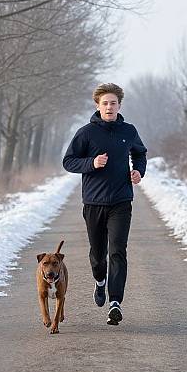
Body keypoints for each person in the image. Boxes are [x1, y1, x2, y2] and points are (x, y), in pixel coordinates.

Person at [62, 83, 147, 325]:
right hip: (93, 203)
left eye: (113, 103)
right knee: (98, 256)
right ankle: (100, 282)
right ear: (97, 106)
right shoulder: (86, 133)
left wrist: (138, 171)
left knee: (117, 251)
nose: (109, 107)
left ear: (119, 105)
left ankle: (115, 302)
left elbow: (140, 153)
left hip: (121, 201)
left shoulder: (128, 131)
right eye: (105, 103)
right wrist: (91, 163)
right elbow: (68, 161)